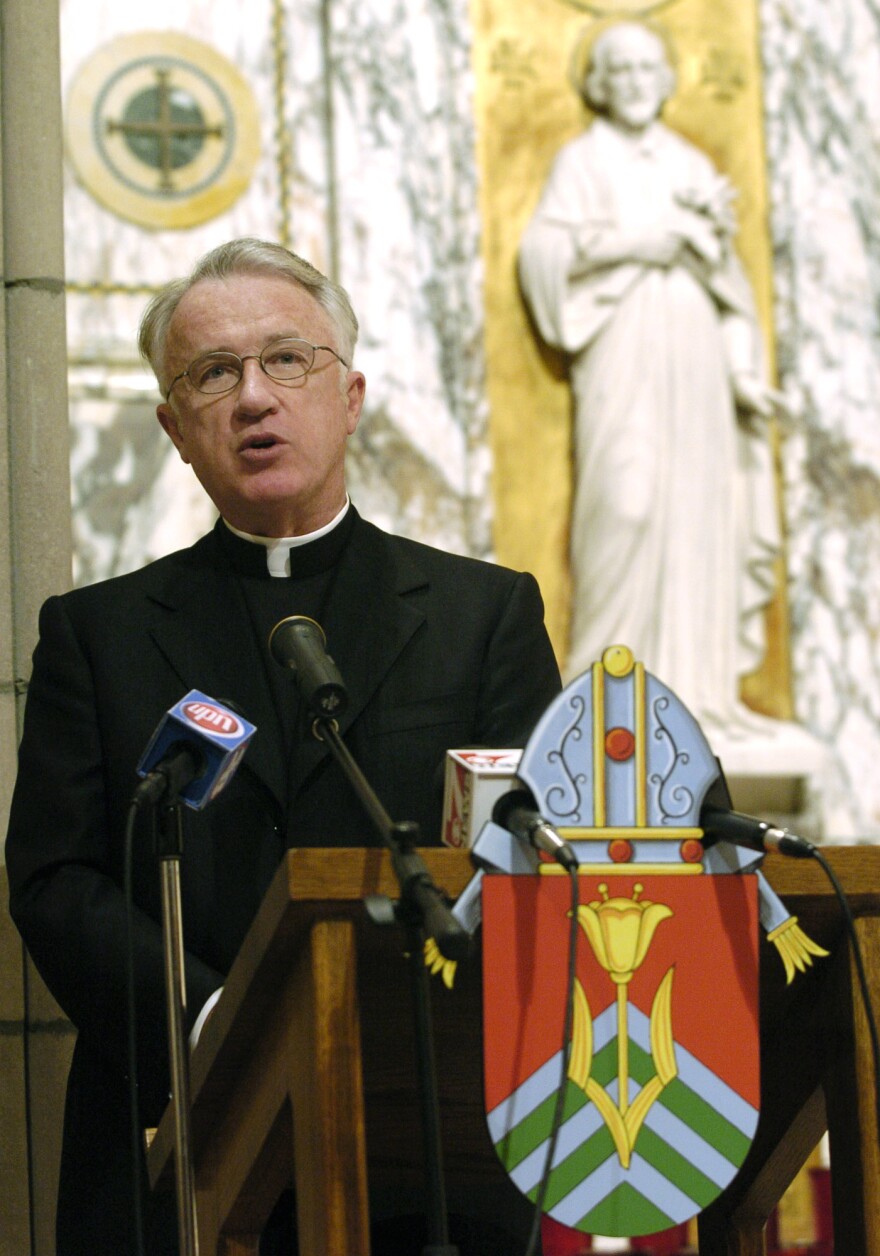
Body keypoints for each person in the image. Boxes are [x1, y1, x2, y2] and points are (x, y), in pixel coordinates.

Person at [6, 238, 561, 1255]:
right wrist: (224, 1018)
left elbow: (529, 858)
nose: (253, 397)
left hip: (426, 1143)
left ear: (348, 395)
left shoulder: (482, 615)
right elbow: (54, 876)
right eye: (214, 372)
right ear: (176, 428)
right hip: (170, 1132)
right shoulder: (100, 633)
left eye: (286, 360)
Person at [518, 20, 783, 735]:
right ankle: (602, 689)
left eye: (647, 68)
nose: (635, 82)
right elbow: (545, 250)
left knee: (695, 510)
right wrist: (647, 242)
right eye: (619, 70)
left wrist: (743, 375)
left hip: (695, 353)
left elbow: (730, 287)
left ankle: (696, 695)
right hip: (623, 343)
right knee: (627, 503)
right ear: (598, 84)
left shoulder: (691, 164)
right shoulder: (582, 160)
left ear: (667, 80)